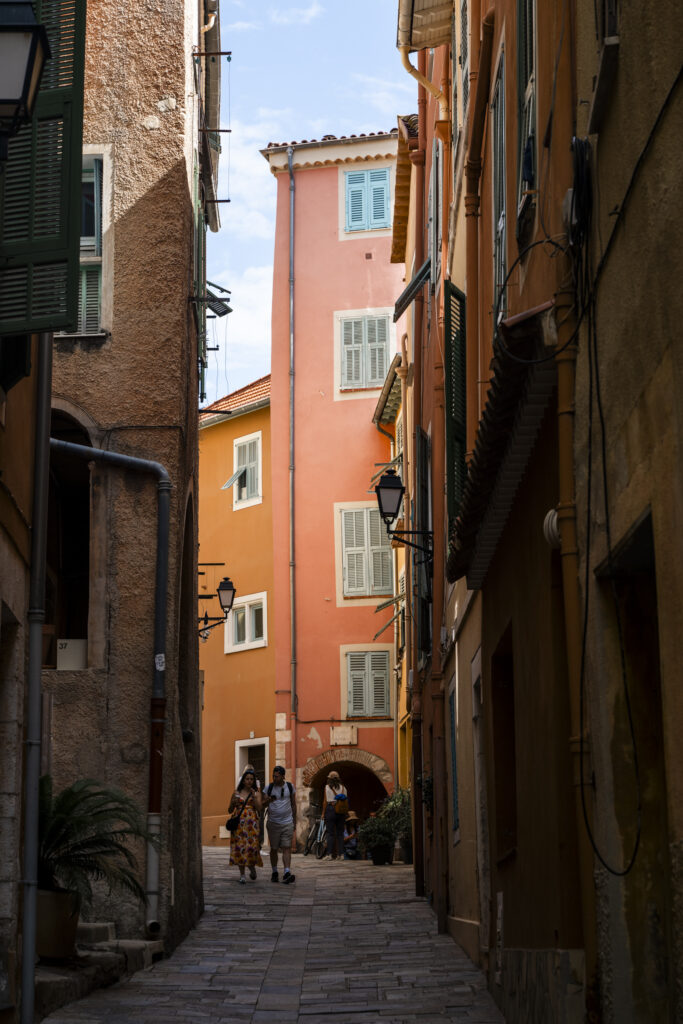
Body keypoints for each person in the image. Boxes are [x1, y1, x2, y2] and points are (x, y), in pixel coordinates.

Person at [228, 768, 263, 883]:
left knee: (251, 848)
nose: (249, 781)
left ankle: (252, 867)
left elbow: (259, 809)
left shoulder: (256, 793)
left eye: (251, 779)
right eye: (247, 779)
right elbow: (229, 810)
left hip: (251, 824)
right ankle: (242, 875)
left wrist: (254, 797)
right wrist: (234, 803)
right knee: (240, 847)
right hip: (238, 824)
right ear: (243, 781)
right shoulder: (236, 793)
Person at [263, 765, 297, 884]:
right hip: (273, 823)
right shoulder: (269, 788)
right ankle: (274, 871)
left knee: (286, 848)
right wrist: (268, 800)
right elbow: (263, 804)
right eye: (273, 776)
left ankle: (287, 872)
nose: (274, 778)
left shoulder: (290, 787)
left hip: (287, 822)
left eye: (277, 776)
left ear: (283, 776)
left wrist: (294, 820)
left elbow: (293, 804)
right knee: (274, 849)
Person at [323, 770, 348, 859]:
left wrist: (323, 813)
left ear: (330, 779)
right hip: (341, 811)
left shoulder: (327, 787)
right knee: (340, 833)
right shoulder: (343, 788)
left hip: (331, 809)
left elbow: (325, 802)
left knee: (330, 833)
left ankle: (329, 854)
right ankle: (341, 855)